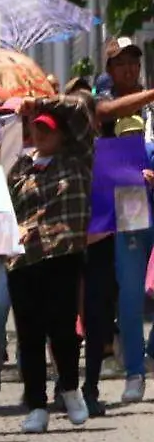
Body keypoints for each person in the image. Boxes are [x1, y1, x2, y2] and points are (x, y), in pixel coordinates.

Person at [7, 95, 94, 433]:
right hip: (24, 260)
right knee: (28, 334)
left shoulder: (77, 160)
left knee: (62, 327)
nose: (40, 133)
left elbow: (79, 110)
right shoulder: (19, 167)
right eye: (36, 127)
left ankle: (70, 388)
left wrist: (36, 103)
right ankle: (36, 406)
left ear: (61, 135)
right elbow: (3, 206)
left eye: (47, 128)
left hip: (62, 254)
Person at [90, 40, 151, 405]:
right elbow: (103, 111)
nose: (129, 69)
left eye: (134, 62)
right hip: (129, 201)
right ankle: (134, 373)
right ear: (110, 69)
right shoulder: (105, 99)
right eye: (121, 64)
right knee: (130, 291)